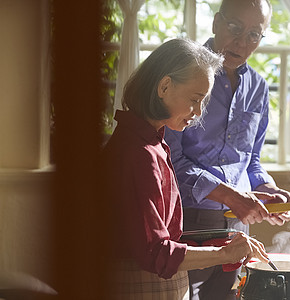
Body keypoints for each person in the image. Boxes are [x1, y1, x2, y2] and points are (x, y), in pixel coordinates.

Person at [100, 38, 270, 300]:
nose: (198, 112)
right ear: (164, 86)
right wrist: (225, 254)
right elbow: (155, 253)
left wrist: (225, 240)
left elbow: (160, 236)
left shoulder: (153, 143)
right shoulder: (137, 154)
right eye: (195, 99)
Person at [164, 1, 290, 299]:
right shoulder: (184, 73)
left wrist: (265, 189)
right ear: (216, 23)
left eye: (254, 34)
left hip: (238, 225)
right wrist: (228, 194)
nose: (241, 42)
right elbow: (170, 162)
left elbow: (251, 161)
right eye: (235, 28)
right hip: (187, 220)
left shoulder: (259, 88)